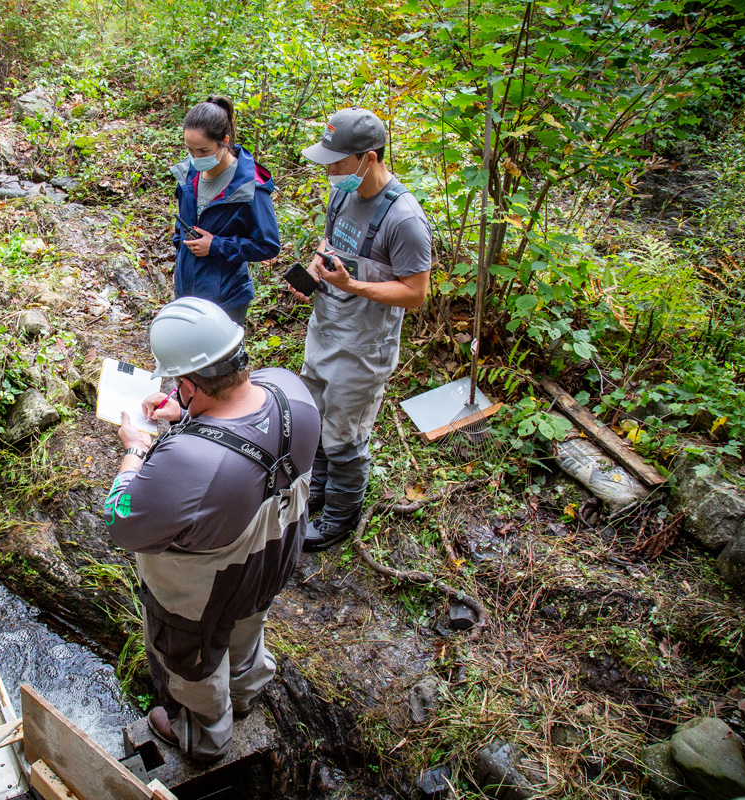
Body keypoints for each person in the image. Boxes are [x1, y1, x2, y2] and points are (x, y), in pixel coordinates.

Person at [102, 297, 319, 762]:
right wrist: (184, 416)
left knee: (191, 664)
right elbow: (244, 431)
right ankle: (244, 694)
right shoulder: (291, 391)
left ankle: (205, 735)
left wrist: (136, 449)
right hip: (272, 561)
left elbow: (121, 521)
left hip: (201, 595)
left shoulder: (188, 462)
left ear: (188, 382)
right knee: (247, 627)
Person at [289, 107, 432, 552]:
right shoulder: (341, 194)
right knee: (314, 419)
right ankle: (315, 496)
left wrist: (353, 285)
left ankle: (339, 520)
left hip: (364, 347)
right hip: (326, 327)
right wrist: (315, 270)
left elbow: (415, 292)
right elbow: (329, 244)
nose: (329, 170)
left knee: (344, 436)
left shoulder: (404, 219)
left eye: (336, 162)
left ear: (368, 158)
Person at [172, 96, 281, 326]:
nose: (195, 158)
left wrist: (216, 246)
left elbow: (268, 244)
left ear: (224, 141)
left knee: (218, 363)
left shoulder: (249, 187)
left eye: (203, 150)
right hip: (186, 294)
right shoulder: (188, 175)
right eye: (190, 150)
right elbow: (180, 228)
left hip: (226, 300)